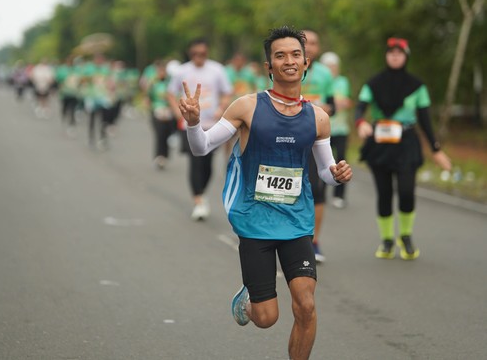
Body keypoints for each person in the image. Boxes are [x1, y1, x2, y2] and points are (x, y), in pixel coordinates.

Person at [178, 26, 352, 360]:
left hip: (296, 222)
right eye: (280, 55)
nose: (289, 61)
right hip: (254, 222)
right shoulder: (246, 107)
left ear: (306, 63)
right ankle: (249, 299)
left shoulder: (318, 117)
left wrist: (336, 174)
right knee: (266, 318)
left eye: (296, 54)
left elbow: (326, 172)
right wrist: (193, 122)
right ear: (269, 66)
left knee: (306, 306)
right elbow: (202, 148)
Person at [355, 37, 452, 260]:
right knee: (384, 193)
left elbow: (425, 121)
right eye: (391, 53)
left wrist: (436, 149)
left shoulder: (417, 86)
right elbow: (360, 108)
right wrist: (360, 123)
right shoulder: (373, 83)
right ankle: (387, 240)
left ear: (406, 57)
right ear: (386, 56)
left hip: (407, 142)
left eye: (399, 53)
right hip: (380, 143)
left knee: (407, 191)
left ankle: (405, 236)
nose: (395, 56)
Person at [167, 38, 233, 221]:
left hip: (211, 124)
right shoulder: (182, 71)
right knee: (195, 161)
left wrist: (221, 108)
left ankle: (202, 193)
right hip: (189, 124)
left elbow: (227, 92)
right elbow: (170, 93)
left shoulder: (217, 70)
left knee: (207, 164)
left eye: (202, 53)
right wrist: (177, 113)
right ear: (190, 53)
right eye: (194, 53)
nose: (198, 57)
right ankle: (198, 200)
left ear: (207, 53)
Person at [302, 29, 335, 263]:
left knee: (316, 190)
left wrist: (322, 110)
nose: (309, 47)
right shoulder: (288, 68)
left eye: (313, 43)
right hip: (286, 139)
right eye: (304, 42)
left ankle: (313, 242)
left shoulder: (325, 74)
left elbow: (333, 105)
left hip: (315, 138)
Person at [319, 51, 353, 208]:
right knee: (323, 162)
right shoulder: (319, 81)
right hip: (322, 129)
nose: (331, 69)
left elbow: (346, 102)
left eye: (334, 66)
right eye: (328, 66)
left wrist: (334, 104)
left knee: (341, 161)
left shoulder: (342, 81)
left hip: (341, 129)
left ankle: (339, 196)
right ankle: (320, 194)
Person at [146, 60, 177, 169]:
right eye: (159, 71)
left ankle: (165, 155)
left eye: (163, 71)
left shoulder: (170, 83)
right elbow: (149, 96)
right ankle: (159, 156)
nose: (161, 73)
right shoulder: (153, 83)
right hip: (157, 111)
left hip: (168, 112)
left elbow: (175, 96)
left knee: (166, 134)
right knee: (159, 134)